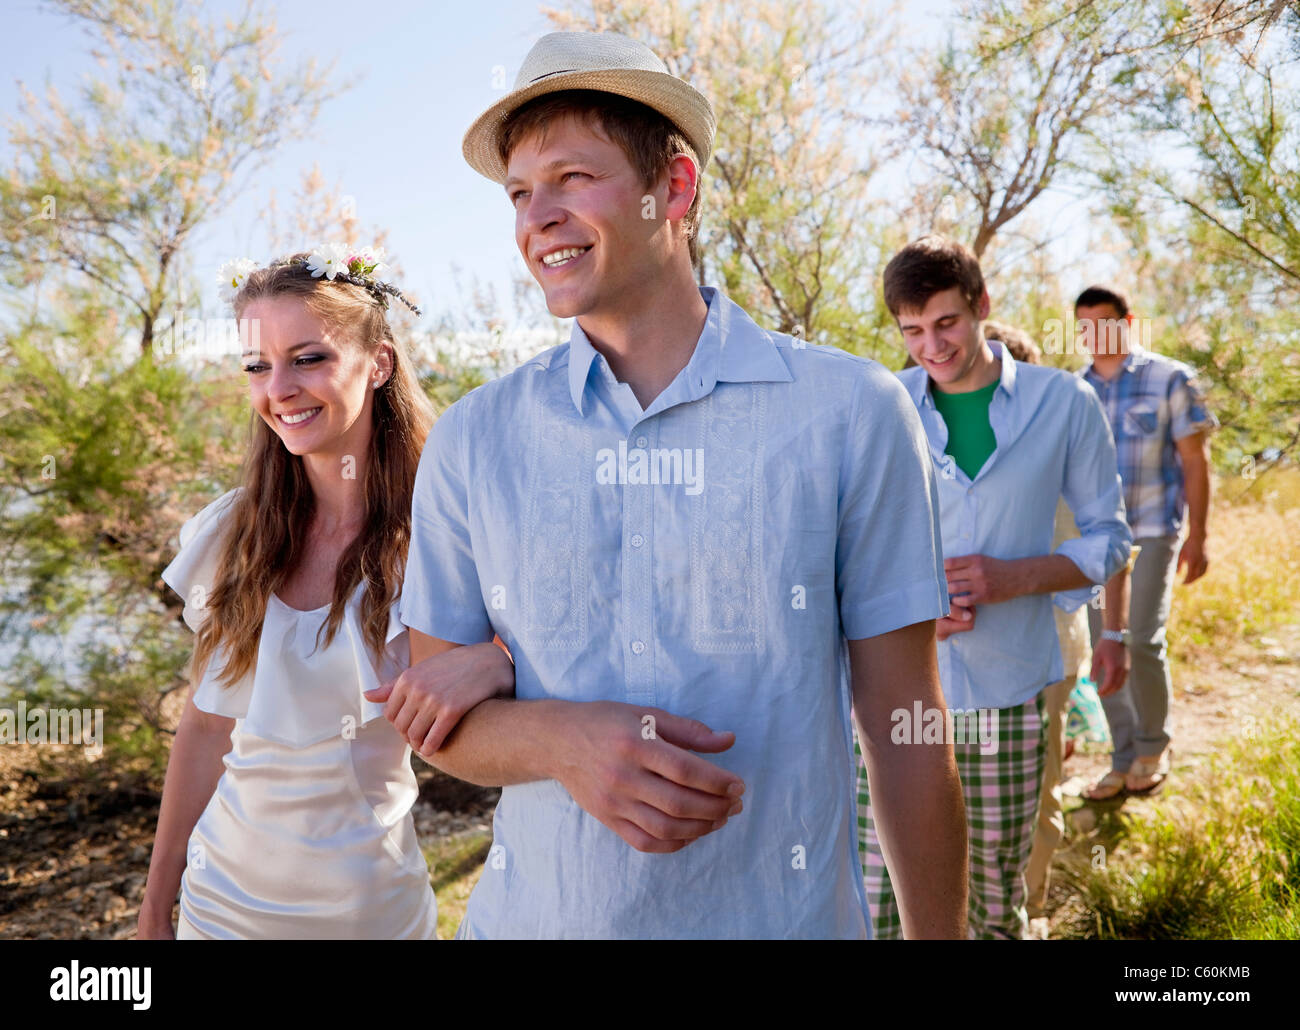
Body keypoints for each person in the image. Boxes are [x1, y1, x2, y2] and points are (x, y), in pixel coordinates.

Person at [375, 30, 968, 939]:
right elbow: (435, 714)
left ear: (675, 189)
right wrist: (564, 741)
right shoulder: (471, 440)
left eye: (572, 178)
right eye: (521, 193)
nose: (538, 217)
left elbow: (906, 726)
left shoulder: (851, 411)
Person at [138, 248, 515, 939]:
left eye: (308, 358)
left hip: (368, 915)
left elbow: (535, 674)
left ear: (379, 364)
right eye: (258, 365)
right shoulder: (234, 534)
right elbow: (205, 728)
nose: (278, 387)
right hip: (219, 906)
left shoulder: (444, 537)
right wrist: (156, 905)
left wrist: (499, 661)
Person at [856, 236, 1132, 939]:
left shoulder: (1063, 403)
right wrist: (914, 607)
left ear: (981, 306)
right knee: (880, 892)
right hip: (893, 698)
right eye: (912, 332)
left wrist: (1016, 577)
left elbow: (1110, 535)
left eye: (945, 323)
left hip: (1007, 695)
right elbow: (847, 550)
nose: (932, 347)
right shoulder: (882, 408)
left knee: (991, 898)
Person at [1075, 286, 1217, 798]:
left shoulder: (1169, 377)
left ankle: (1154, 745)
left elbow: (1194, 461)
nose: (1094, 335)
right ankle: (1122, 755)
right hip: (1097, 542)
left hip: (1155, 530)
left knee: (1141, 638)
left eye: (1104, 323)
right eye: (1084, 325)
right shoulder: (1075, 391)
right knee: (1104, 643)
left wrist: (1198, 535)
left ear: (1127, 321)